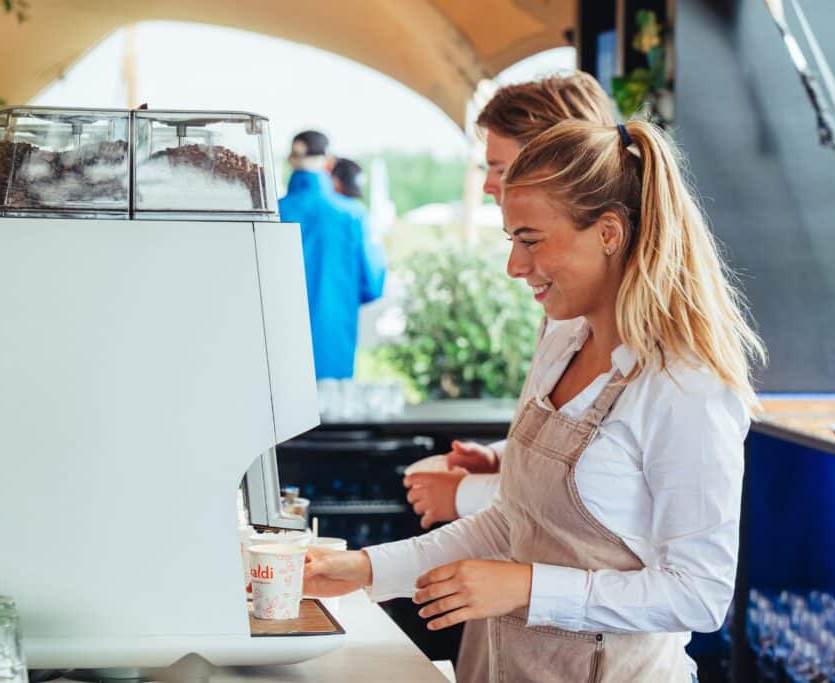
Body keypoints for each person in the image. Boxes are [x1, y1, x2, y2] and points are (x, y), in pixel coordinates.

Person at [304, 119, 765, 682]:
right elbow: (511, 524)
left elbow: (699, 594)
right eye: (511, 241)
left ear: (609, 233)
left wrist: (525, 586)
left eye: (531, 240)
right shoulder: (563, 345)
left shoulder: (684, 385)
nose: (514, 267)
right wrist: (363, 568)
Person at [404, 72, 618, 532]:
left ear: (552, 159)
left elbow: (597, 487)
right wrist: (502, 456)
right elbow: (574, 444)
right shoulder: (569, 307)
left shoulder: (593, 311)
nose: (515, 268)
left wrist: (464, 495)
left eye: (499, 168)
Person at [279, 131, 386, 379]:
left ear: (290, 160)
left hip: (278, 345)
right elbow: (372, 285)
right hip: (333, 345)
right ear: (329, 161)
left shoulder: (272, 214)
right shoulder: (353, 215)